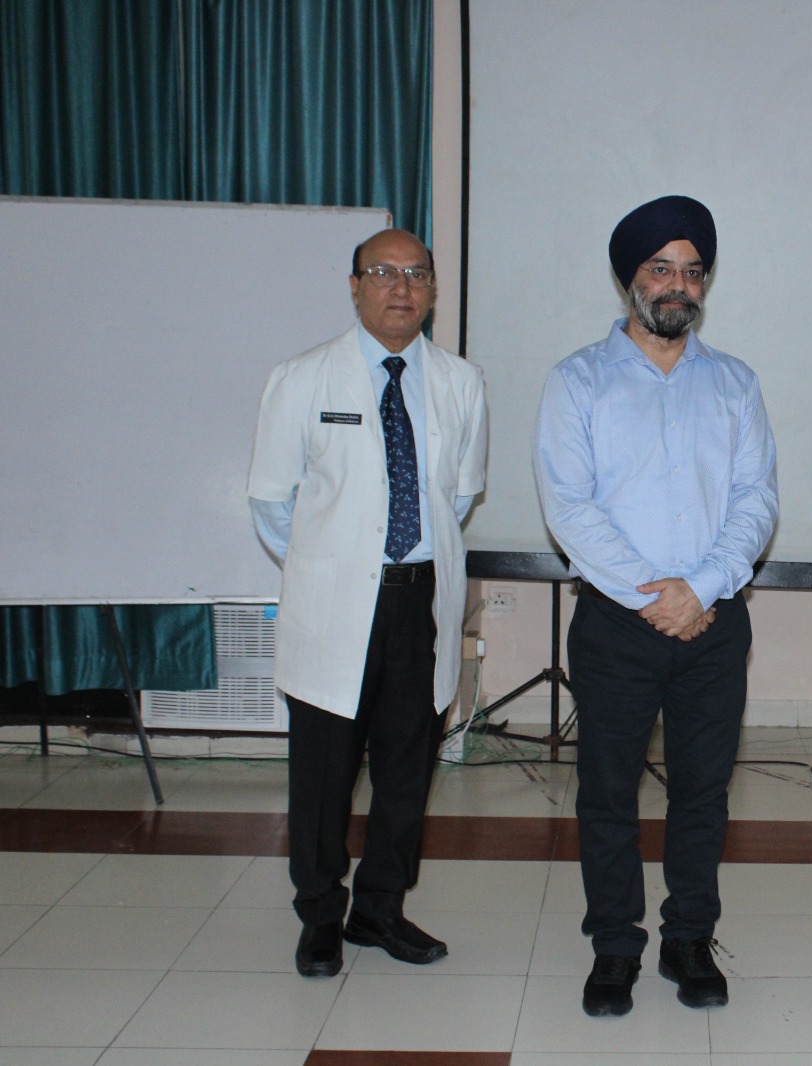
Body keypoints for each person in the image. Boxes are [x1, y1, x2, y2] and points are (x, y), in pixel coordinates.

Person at [536, 195, 778, 1019]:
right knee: (607, 791)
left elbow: (756, 501)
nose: (679, 285)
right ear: (630, 280)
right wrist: (657, 592)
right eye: (661, 269)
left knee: (703, 792)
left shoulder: (735, 384)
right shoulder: (578, 380)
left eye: (693, 271)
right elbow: (569, 507)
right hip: (617, 621)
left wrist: (700, 589)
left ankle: (688, 939)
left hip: (714, 621)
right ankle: (614, 944)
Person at [247, 228, 489, 978]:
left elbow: (459, 495)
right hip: (336, 607)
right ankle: (320, 912)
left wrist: (398, 558)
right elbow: (273, 505)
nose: (401, 287)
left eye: (416, 274)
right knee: (324, 774)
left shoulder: (460, 383)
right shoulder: (301, 379)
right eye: (382, 272)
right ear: (354, 287)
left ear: (434, 289)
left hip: (421, 604)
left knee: (406, 770)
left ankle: (380, 908)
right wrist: (336, 565)